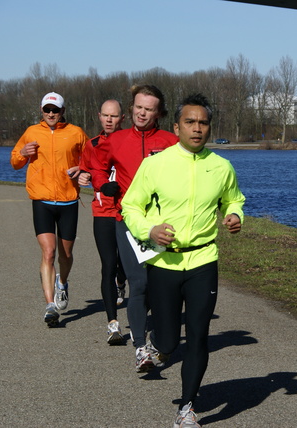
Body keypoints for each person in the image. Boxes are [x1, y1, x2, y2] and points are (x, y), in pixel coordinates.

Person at [121, 93, 245, 428]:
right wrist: (150, 229)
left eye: (203, 123)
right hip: (164, 264)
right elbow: (130, 206)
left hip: (204, 259)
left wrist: (235, 216)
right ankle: (156, 347)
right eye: (190, 122)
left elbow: (234, 200)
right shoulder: (156, 164)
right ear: (176, 126)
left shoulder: (221, 166)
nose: (197, 128)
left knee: (199, 335)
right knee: (169, 340)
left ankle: (186, 407)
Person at [90, 85, 178, 365]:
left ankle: (154, 335)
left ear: (158, 113)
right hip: (126, 220)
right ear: (132, 109)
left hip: (162, 224)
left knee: (157, 285)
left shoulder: (170, 141)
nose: (142, 113)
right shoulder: (115, 140)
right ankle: (140, 347)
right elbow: (97, 166)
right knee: (138, 283)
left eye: (149, 109)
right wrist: (104, 184)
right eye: (138, 107)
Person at [10, 92, 89, 327]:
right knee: (48, 253)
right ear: (42, 111)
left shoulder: (76, 133)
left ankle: (62, 283)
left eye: (55, 110)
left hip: (68, 201)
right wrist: (22, 154)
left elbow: (92, 159)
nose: (51, 114)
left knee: (65, 255)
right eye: (47, 110)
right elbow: (14, 161)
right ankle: (50, 305)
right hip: (42, 200)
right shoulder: (32, 132)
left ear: (63, 111)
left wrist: (83, 169)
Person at [78, 100, 128, 345]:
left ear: (122, 118)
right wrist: (82, 175)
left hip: (128, 213)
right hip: (103, 212)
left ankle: (122, 280)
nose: (109, 120)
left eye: (114, 116)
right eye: (105, 116)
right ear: (99, 116)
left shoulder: (129, 141)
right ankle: (113, 324)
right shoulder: (92, 145)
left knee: (124, 266)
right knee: (107, 265)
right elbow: (83, 171)